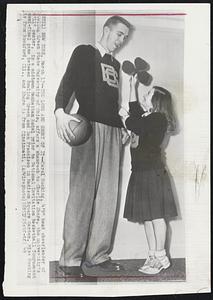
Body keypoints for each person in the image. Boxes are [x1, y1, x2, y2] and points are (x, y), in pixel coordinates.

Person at [54, 16, 132, 278]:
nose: (121, 40)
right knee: (82, 193)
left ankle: (98, 257)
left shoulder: (116, 64)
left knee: (108, 195)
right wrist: (59, 111)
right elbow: (68, 82)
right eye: (119, 34)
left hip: (112, 131)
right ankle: (70, 260)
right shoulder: (84, 52)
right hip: (88, 129)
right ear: (106, 29)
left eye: (125, 37)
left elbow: (112, 102)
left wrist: (122, 126)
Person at [122, 75, 178, 275]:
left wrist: (124, 116)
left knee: (156, 216)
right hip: (140, 173)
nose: (145, 95)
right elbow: (134, 108)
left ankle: (161, 257)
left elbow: (133, 123)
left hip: (153, 174)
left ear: (156, 102)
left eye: (148, 94)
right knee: (147, 217)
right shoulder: (147, 116)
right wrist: (132, 86)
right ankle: (153, 254)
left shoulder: (158, 119)